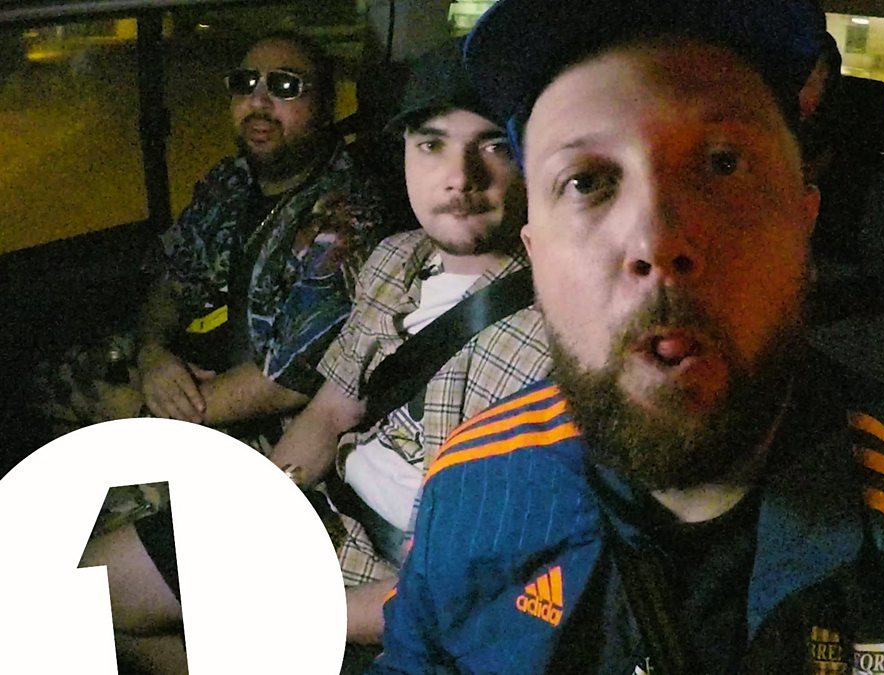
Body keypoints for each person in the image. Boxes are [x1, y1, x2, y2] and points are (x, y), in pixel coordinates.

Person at [371, 1, 884, 672]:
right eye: (587, 182)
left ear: (803, 223)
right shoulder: (469, 483)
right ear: (536, 257)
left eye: (723, 163)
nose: (657, 241)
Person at [78, 37, 551, 672]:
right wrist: (257, 507)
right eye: (431, 144)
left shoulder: (556, 330)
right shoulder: (396, 260)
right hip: (324, 512)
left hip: (396, 582)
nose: (460, 177)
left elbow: (470, 579)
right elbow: (330, 413)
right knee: (88, 584)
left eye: (494, 146)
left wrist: (291, 613)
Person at [33, 31, 388, 458]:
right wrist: (153, 354)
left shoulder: (345, 215)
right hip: (195, 370)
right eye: (244, 83)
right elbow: (174, 277)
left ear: (325, 106)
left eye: (285, 86)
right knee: (53, 377)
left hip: (275, 429)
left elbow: (288, 380)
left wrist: (149, 413)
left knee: (102, 413)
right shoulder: (231, 181)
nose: (258, 102)